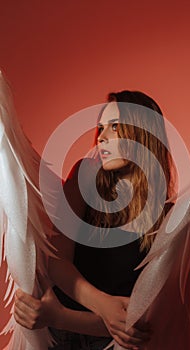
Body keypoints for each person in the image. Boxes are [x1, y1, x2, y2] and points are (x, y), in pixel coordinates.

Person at [14, 90, 175, 349]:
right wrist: (103, 305)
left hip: (110, 342)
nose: (101, 137)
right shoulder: (85, 176)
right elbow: (56, 260)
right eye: (100, 128)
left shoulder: (167, 218)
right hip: (59, 338)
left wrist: (62, 317)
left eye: (115, 126)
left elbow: (140, 323)